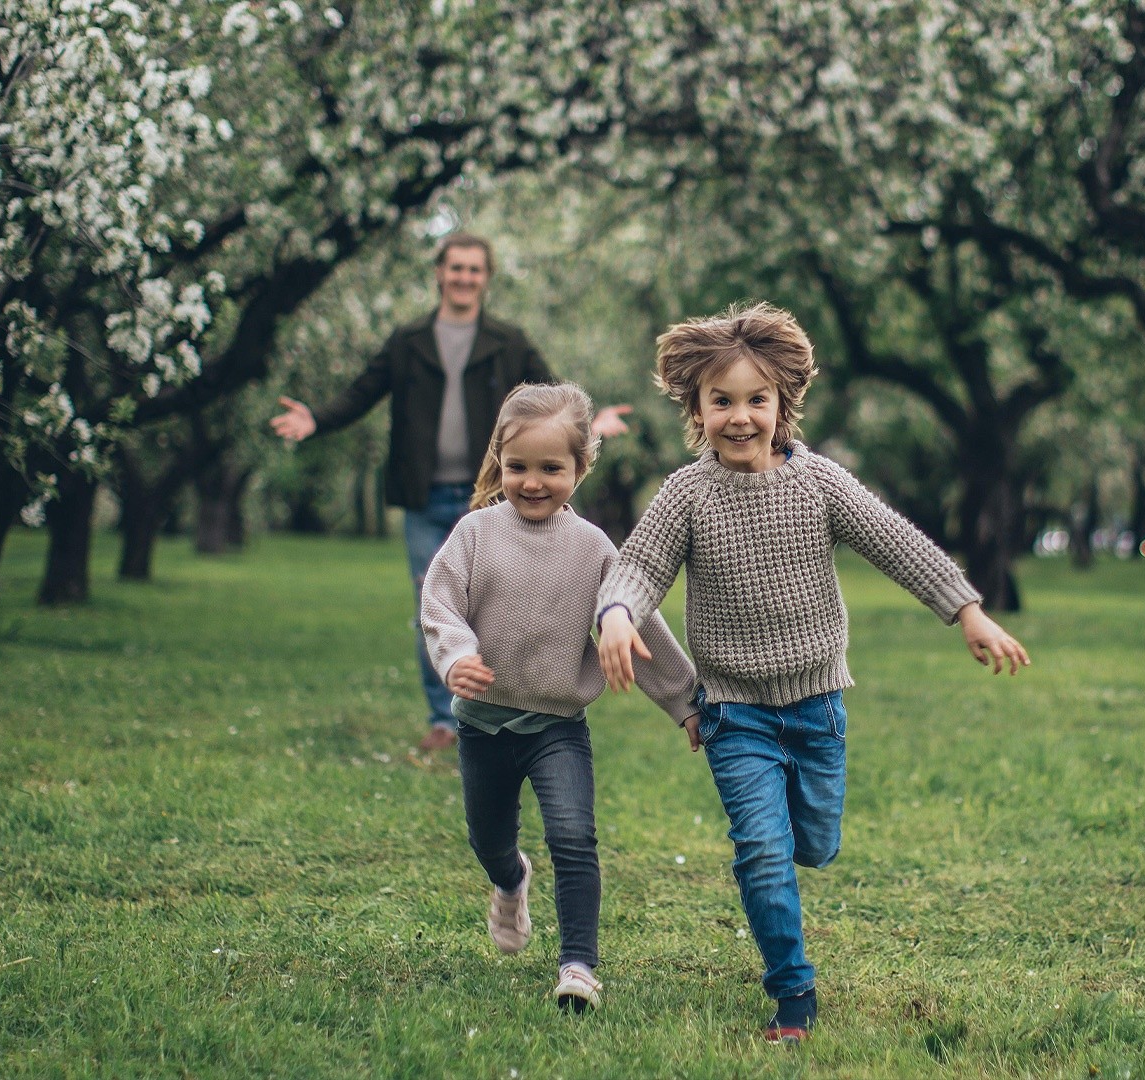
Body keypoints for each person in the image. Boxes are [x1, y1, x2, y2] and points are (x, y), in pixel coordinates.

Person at [593, 301, 1029, 1044]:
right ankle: (793, 993)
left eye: (755, 400)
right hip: (734, 711)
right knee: (761, 849)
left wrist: (968, 611)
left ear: (782, 403)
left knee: (814, 844)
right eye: (721, 400)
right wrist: (617, 613)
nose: (739, 417)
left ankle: (797, 851)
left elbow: (898, 544)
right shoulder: (685, 494)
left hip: (818, 704)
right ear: (697, 409)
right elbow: (637, 566)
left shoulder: (819, 482)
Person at [270, 233, 627, 752]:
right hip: (425, 494)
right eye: (455, 268)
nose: (464, 277)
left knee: (492, 603)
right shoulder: (408, 339)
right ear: (439, 273)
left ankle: (503, 707)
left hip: (491, 492)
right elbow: (362, 392)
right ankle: (446, 718)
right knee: (432, 601)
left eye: (474, 270)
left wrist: (593, 426)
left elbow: (555, 400)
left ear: (486, 277)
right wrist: (315, 419)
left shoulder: (508, 340)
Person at [420, 382, 697, 1012]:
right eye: (518, 467)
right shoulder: (474, 534)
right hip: (483, 726)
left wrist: (686, 702)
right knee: (488, 840)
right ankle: (512, 880)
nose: (533, 482)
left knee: (573, 837)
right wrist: (458, 656)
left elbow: (642, 626)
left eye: (552, 468)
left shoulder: (594, 548)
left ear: (580, 467)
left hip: (556, 727)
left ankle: (578, 967)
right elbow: (440, 605)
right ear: (499, 463)